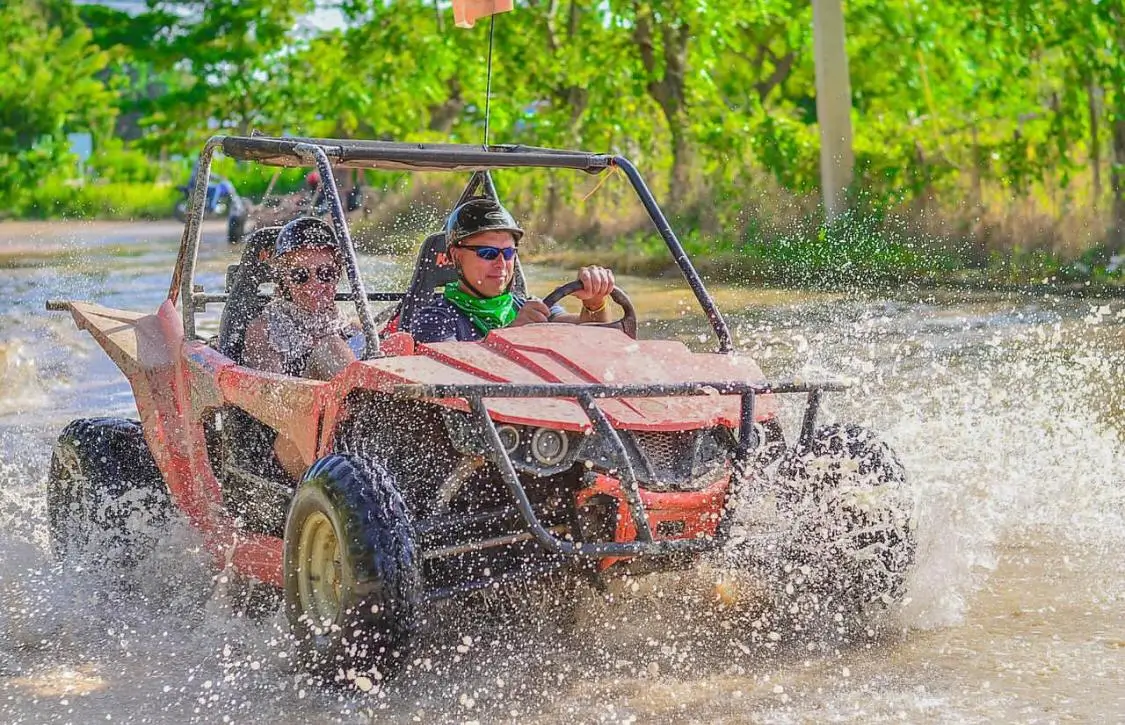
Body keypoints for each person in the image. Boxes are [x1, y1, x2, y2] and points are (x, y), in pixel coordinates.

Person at [411, 198, 615, 343]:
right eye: (488, 253)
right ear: (455, 256)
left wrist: (595, 303)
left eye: (508, 253)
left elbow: (592, 341)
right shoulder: (434, 319)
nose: (501, 263)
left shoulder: (530, 307)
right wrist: (511, 335)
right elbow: (450, 378)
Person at [242, 217, 358, 381]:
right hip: (303, 402)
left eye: (325, 274)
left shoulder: (352, 327)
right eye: (300, 276)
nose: (314, 286)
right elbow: (271, 398)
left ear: (337, 277)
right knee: (330, 347)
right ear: (285, 281)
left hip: (356, 399)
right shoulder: (264, 331)